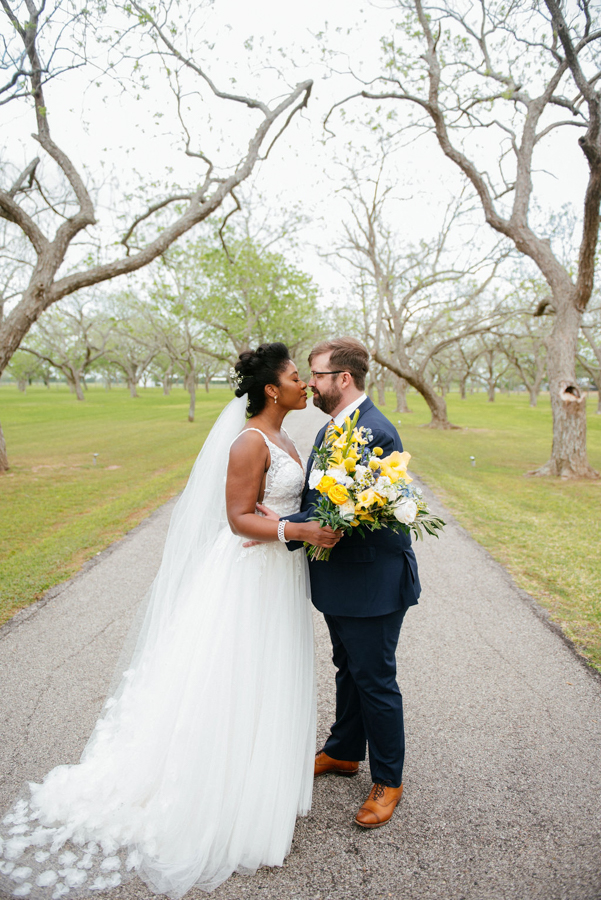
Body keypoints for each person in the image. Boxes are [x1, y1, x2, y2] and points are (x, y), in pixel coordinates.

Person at [0, 343, 340, 900]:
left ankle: (259, 780)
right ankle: (217, 793)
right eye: (296, 376)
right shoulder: (250, 442)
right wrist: (299, 532)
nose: (306, 383)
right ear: (272, 390)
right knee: (233, 677)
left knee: (267, 677)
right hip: (249, 577)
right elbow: (237, 520)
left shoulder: (286, 438)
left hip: (278, 578)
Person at [270, 337, 421, 829]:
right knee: (346, 666)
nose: (310, 383)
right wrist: (282, 521)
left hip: (372, 583)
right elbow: (322, 499)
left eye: (316, 374)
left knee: (375, 679)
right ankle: (343, 750)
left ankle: (388, 780)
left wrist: (278, 527)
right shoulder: (333, 427)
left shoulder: (374, 432)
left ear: (344, 379)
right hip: (341, 582)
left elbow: (340, 515)